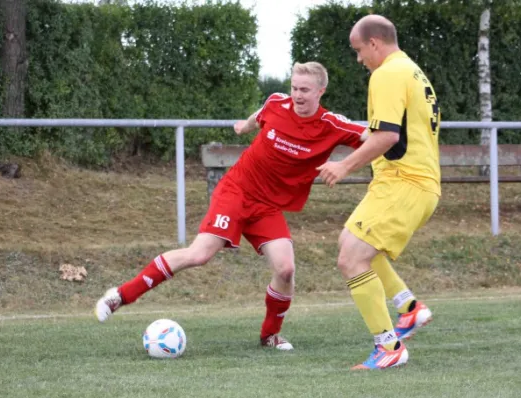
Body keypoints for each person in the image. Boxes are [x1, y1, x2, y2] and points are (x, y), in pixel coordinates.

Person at [95, 61, 369, 350]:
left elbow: (375, 136)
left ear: (320, 91)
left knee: (286, 269)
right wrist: (244, 126)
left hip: (268, 206)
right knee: (199, 255)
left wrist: (351, 163)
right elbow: (259, 115)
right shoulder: (277, 103)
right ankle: (121, 296)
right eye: (294, 88)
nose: (297, 95)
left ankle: (270, 336)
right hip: (236, 191)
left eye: (305, 90)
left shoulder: (332, 124)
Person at [317, 14, 441, 369]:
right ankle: (409, 308)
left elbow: (387, 136)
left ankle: (389, 348)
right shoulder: (411, 70)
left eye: (359, 50)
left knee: (351, 259)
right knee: (348, 243)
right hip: (400, 181)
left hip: (406, 182)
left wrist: (343, 165)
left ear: (374, 43)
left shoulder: (386, 74)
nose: (359, 59)